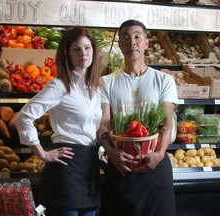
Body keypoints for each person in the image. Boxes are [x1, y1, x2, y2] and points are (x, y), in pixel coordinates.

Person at [15, 26, 102, 216]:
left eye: (87, 48)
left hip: (90, 165)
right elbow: (23, 117)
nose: (83, 54)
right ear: (67, 54)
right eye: (76, 49)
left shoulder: (95, 89)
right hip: (66, 166)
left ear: (94, 51)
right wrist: (42, 154)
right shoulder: (59, 85)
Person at [98, 19, 178, 216]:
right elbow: (103, 122)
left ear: (146, 42)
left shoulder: (164, 80)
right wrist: (111, 152)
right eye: (125, 37)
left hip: (155, 163)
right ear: (119, 44)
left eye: (137, 36)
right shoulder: (106, 82)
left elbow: (166, 122)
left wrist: (159, 154)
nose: (131, 41)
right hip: (121, 163)